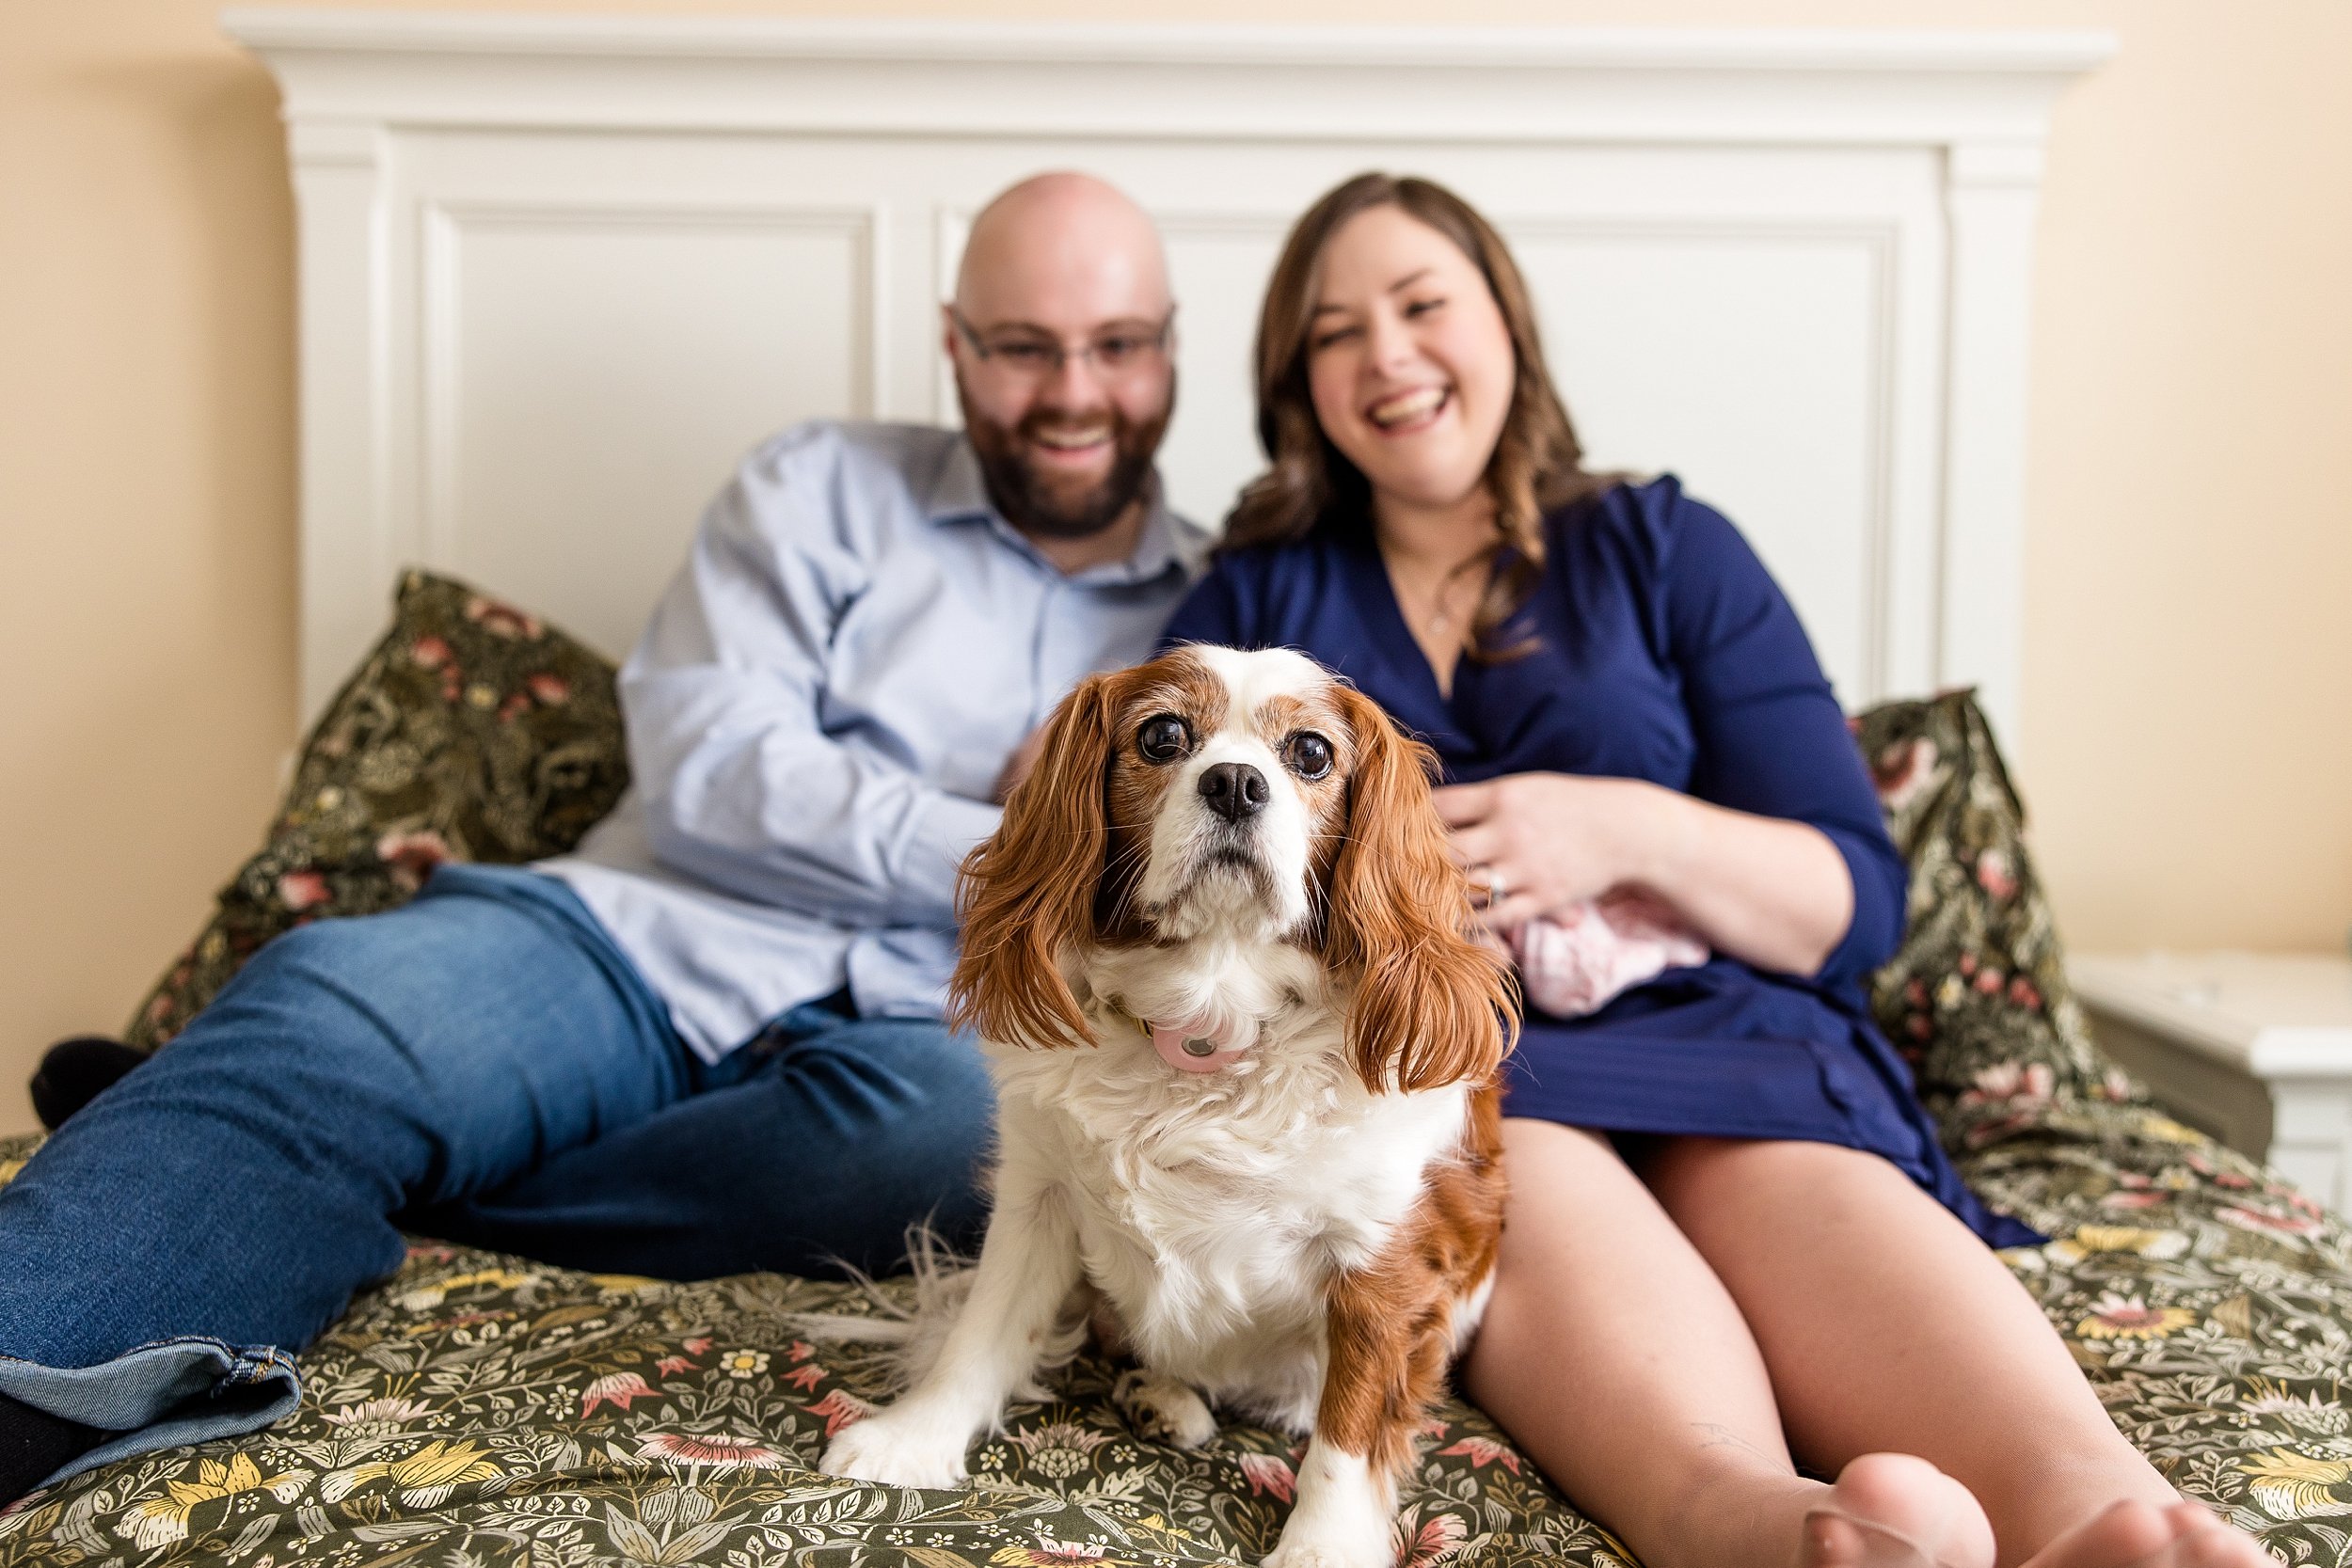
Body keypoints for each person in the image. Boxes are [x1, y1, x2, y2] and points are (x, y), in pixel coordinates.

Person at [0, 171, 1207, 1503]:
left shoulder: (1222, 627)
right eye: (1025, 347)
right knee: (332, 1001)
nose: (1075, 391)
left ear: (1170, 344)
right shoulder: (819, 486)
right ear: (956, 344)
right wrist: (1020, 837)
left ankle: (379, 1181)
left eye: (1118, 346)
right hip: (636, 940)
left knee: (946, 1157)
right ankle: (30, 1375)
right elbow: (711, 770)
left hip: (927, 1026)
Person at [1164, 173, 2267, 1568]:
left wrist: (1629, 829)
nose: (1384, 352)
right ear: (1296, 384)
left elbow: (1854, 905)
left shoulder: (1665, 549)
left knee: (1798, 1185)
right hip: (1461, 1071)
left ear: (1506, 320)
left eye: (1422, 304)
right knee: (1525, 1192)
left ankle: (2114, 1524)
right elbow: (1152, 858)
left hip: (1727, 1037)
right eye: (1334, 332)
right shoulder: (1255, 601)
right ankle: (1809, 1539)